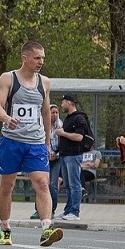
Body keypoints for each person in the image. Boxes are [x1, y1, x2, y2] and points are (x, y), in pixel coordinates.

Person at [0, 41, 62, 247]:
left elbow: (46, 111)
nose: (41, 62)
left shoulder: (45, 82)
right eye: (37, 58)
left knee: (42, 183)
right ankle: (5, 229)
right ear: (25, 58)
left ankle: (46, 228)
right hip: (11, 141)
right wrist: (6, 118)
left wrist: (47, 141)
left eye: (43, 58)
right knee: (7, 185)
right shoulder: (8, 78)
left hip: (36, 142)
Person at [56, 93, 92, 221]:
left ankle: (75, 211)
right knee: (67, 184)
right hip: (65, 154)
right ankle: (68, 210)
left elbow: (79, 137)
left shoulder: (79, 118)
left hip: (73, 154)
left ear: (69, 103)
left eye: (63, 102)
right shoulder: (68, 118)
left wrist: (63, 133)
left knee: (75, 184)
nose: (62, 104)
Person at [30, 103, 63, 219]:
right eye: (52, 112)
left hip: (56, 159)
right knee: (41, 184)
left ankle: (51, 210)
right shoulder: (40, 125)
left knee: (53, 185)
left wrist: (56, 154)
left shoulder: (60, 126)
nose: (54, 115)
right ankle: (38, 210)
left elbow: (63, 144)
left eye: (56, 112)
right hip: (43, 157)